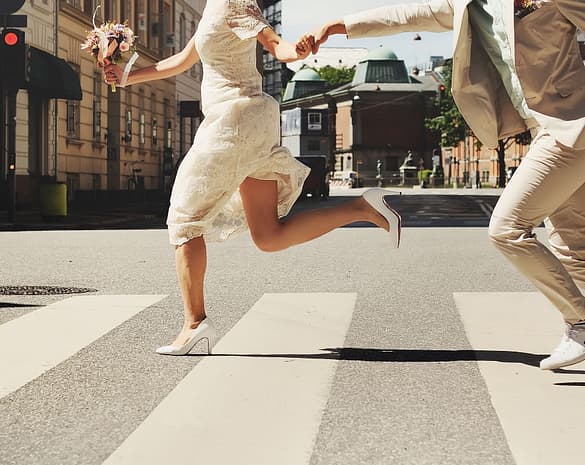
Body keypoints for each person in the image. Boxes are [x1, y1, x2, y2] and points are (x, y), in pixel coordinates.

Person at [104, 0, 401, 356]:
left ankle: (195, 324)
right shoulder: (213, 9)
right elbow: (182, 60)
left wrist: (296, 52)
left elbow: (274, 43)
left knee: (184, 220)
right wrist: (126, 75)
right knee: (269, 236)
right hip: (248, 122)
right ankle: (363, 208)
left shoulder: (233, 2)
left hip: (234, 121)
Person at [311, 0, 585, 370]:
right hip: (542, 129)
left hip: (570, 127)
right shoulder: (469, 4)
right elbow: (409, 16)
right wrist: (337, 26)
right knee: (573, 246)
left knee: (507, 229)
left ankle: (580, 323)